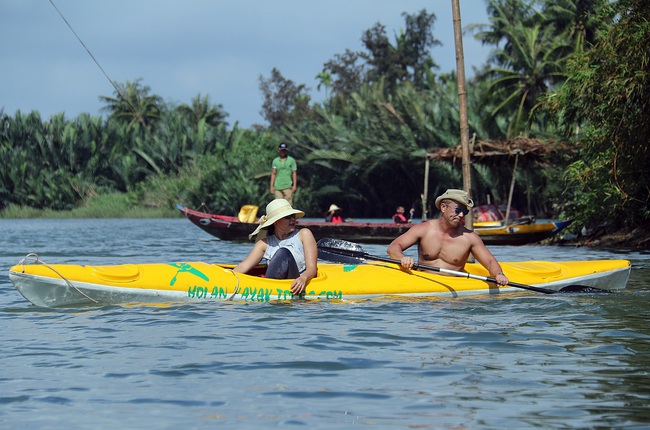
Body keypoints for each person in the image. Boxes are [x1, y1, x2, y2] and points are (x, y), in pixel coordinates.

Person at [387, 189, 509, 286]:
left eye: (465, 212)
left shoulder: (470, 237)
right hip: (423, 285)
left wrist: (499, 274)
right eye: (458, 210)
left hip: (453, 292)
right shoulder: (423, 229)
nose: (461, 215)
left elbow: (490, 261)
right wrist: (402, 258)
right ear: (443, 207)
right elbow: (393, 247)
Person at [234, 198, 317, 295]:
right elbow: (244, 266)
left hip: (297, 283)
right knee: (283, 253)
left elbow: (312, 268)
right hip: (273, 285)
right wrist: (226, 275)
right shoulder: (263, 244)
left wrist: (303, 278)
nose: (292, 219)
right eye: (288, 216)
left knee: (283, 253)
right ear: (275, 221)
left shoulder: (304, 234)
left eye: (293, 216)